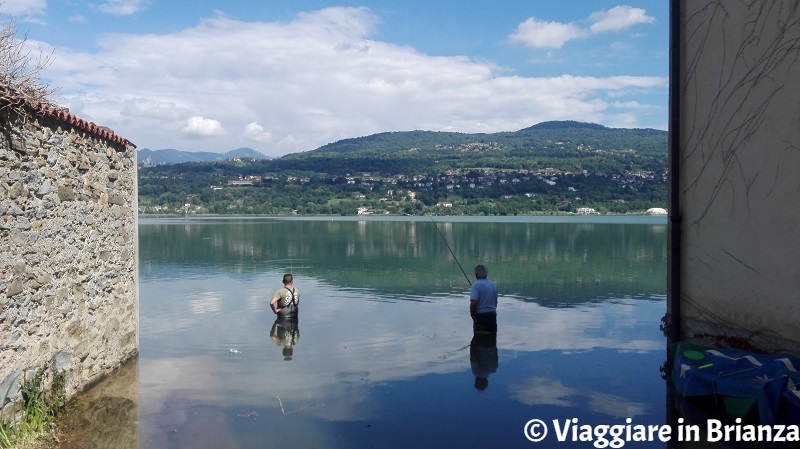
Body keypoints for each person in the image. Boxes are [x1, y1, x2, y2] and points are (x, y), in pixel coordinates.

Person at [469, 264, 497, 334]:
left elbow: (473, 304)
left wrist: (473, 315)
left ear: (476, 275)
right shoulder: (493, 285)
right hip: (492, 317)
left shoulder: (476, 285)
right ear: (486, 274)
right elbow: (496, 302)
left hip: (481, 318)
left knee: (478, 341)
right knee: (491, 341)